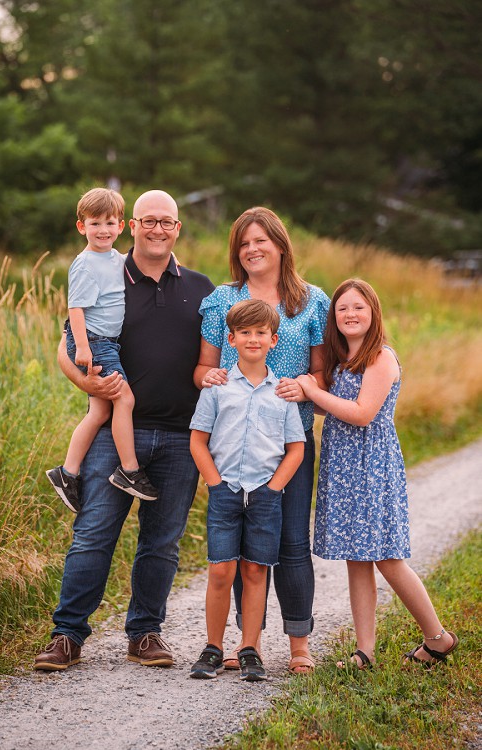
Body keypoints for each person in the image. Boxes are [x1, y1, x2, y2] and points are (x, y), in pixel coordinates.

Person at [34, 190, 215, 671]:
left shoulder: (201, 289)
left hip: (181, 435)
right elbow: (68, 341)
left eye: (167, 222)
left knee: (162, 542)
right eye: (149, 221)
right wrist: (84, 378)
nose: (158, 229)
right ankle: (67, 635)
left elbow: (219, 358)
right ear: (132, 225)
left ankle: (145, 634)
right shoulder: (108, 271)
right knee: (93, 533)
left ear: (178, 229)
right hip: (118, 433)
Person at [294, 278, 459, 669]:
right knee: (357, 557)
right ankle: (364, 651)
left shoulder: (381, 358)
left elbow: (363, 412)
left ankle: (437, 637)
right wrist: (303, 392)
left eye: (358, 307)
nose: (350, 314)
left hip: (371, 467)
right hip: (344, 466)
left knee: (387, 556)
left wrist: (314, 393)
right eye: (342, 309)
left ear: (373, 312)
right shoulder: (341, 360)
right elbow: (336, 405)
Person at [194, 207, 330, 674]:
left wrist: (305, 387)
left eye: (260, 241)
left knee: (291, 541)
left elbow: (322, 370)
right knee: (242, 550)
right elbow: (204, 368)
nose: (252, 249)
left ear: (280, 244)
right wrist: (209, 375)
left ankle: (299, 644)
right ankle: (245, 644)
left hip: (288, 441)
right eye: (243, 243)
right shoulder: (221, 300)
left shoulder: (311, 301)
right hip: (235, 447)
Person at [189, 300, 306, 682]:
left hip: (264, 494)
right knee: (222, 571)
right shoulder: (217, 387)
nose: (252, 339)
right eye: (245, 333)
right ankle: (212, 648)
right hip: (225, 491)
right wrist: (215, 483)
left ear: (273, 340)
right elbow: (198, 441)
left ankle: (250, 648)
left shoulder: (283, 393)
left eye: (260, 333)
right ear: (231, 339)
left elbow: (296, 449)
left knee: (256, 570)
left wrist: (273, 490)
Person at [46, 187, 157, 513]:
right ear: (82, 227)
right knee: (125, 398)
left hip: (105, 342)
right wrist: (81, 347)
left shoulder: (113, 257)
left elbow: (129, 260)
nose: (103, 230)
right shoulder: (84, 264)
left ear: (121, 226)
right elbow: (76, 308)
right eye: (95, 224)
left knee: (100, 411)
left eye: (110, 223)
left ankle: (67, 472)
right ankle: (129, 470)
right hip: (93, 342)